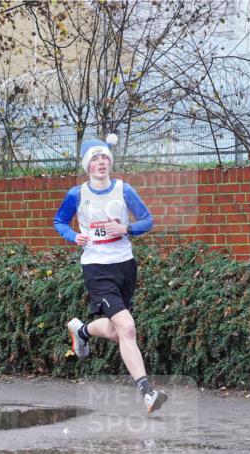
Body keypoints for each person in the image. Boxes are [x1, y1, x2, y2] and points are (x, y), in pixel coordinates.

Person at [53, 134, 168, 413]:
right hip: (96, 267)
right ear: (86, 165)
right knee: (128, 327)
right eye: (95, 158)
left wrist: (126, 229)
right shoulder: (77, 194)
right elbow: (59, 221)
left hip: (125, 265)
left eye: (104, 157)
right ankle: (147, 393)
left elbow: (148, 220)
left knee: (119, 334)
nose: (101, 162)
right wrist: (72, 236)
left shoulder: (123, 189)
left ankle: (81, 331)